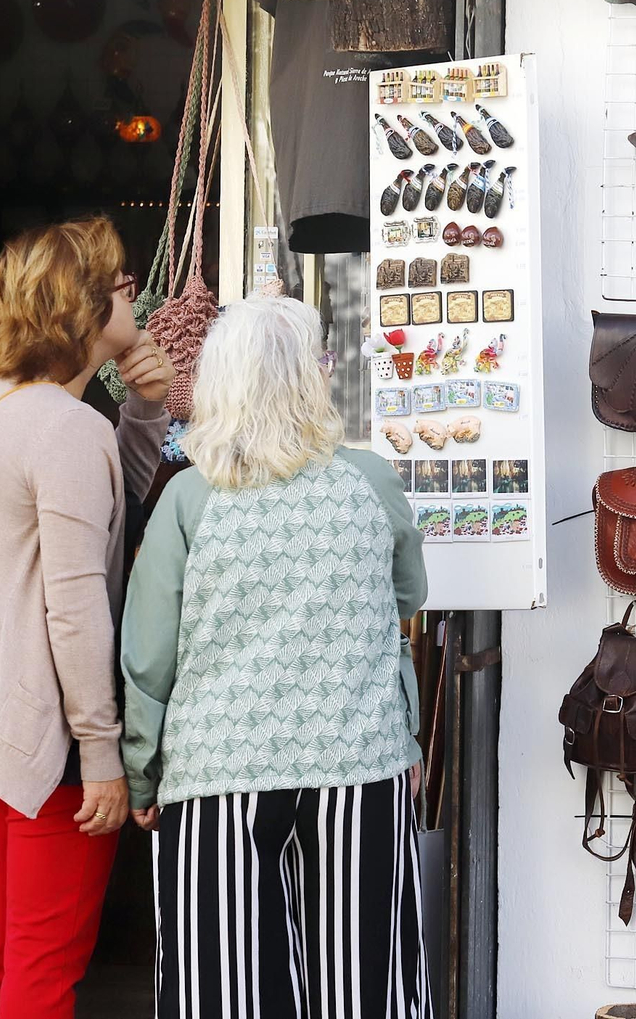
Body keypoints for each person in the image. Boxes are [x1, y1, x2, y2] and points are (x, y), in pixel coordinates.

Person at [121, 296, 431, 1018]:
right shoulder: (370, 481)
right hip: (358, 766)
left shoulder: (188, 498)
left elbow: (149, 658)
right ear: (311, 378)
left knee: (226, 992)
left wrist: (142, 772)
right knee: (363, 991)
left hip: (218, 780)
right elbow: (407, 596)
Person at [0, 216, 176, 1019]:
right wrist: (102, 751)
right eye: (124, 283)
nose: (135, 294)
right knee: (43, 965)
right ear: (88, 305)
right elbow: (75, 606)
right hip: (48, 723)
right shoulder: (65, 427)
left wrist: (144, 409)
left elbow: (96, 509)